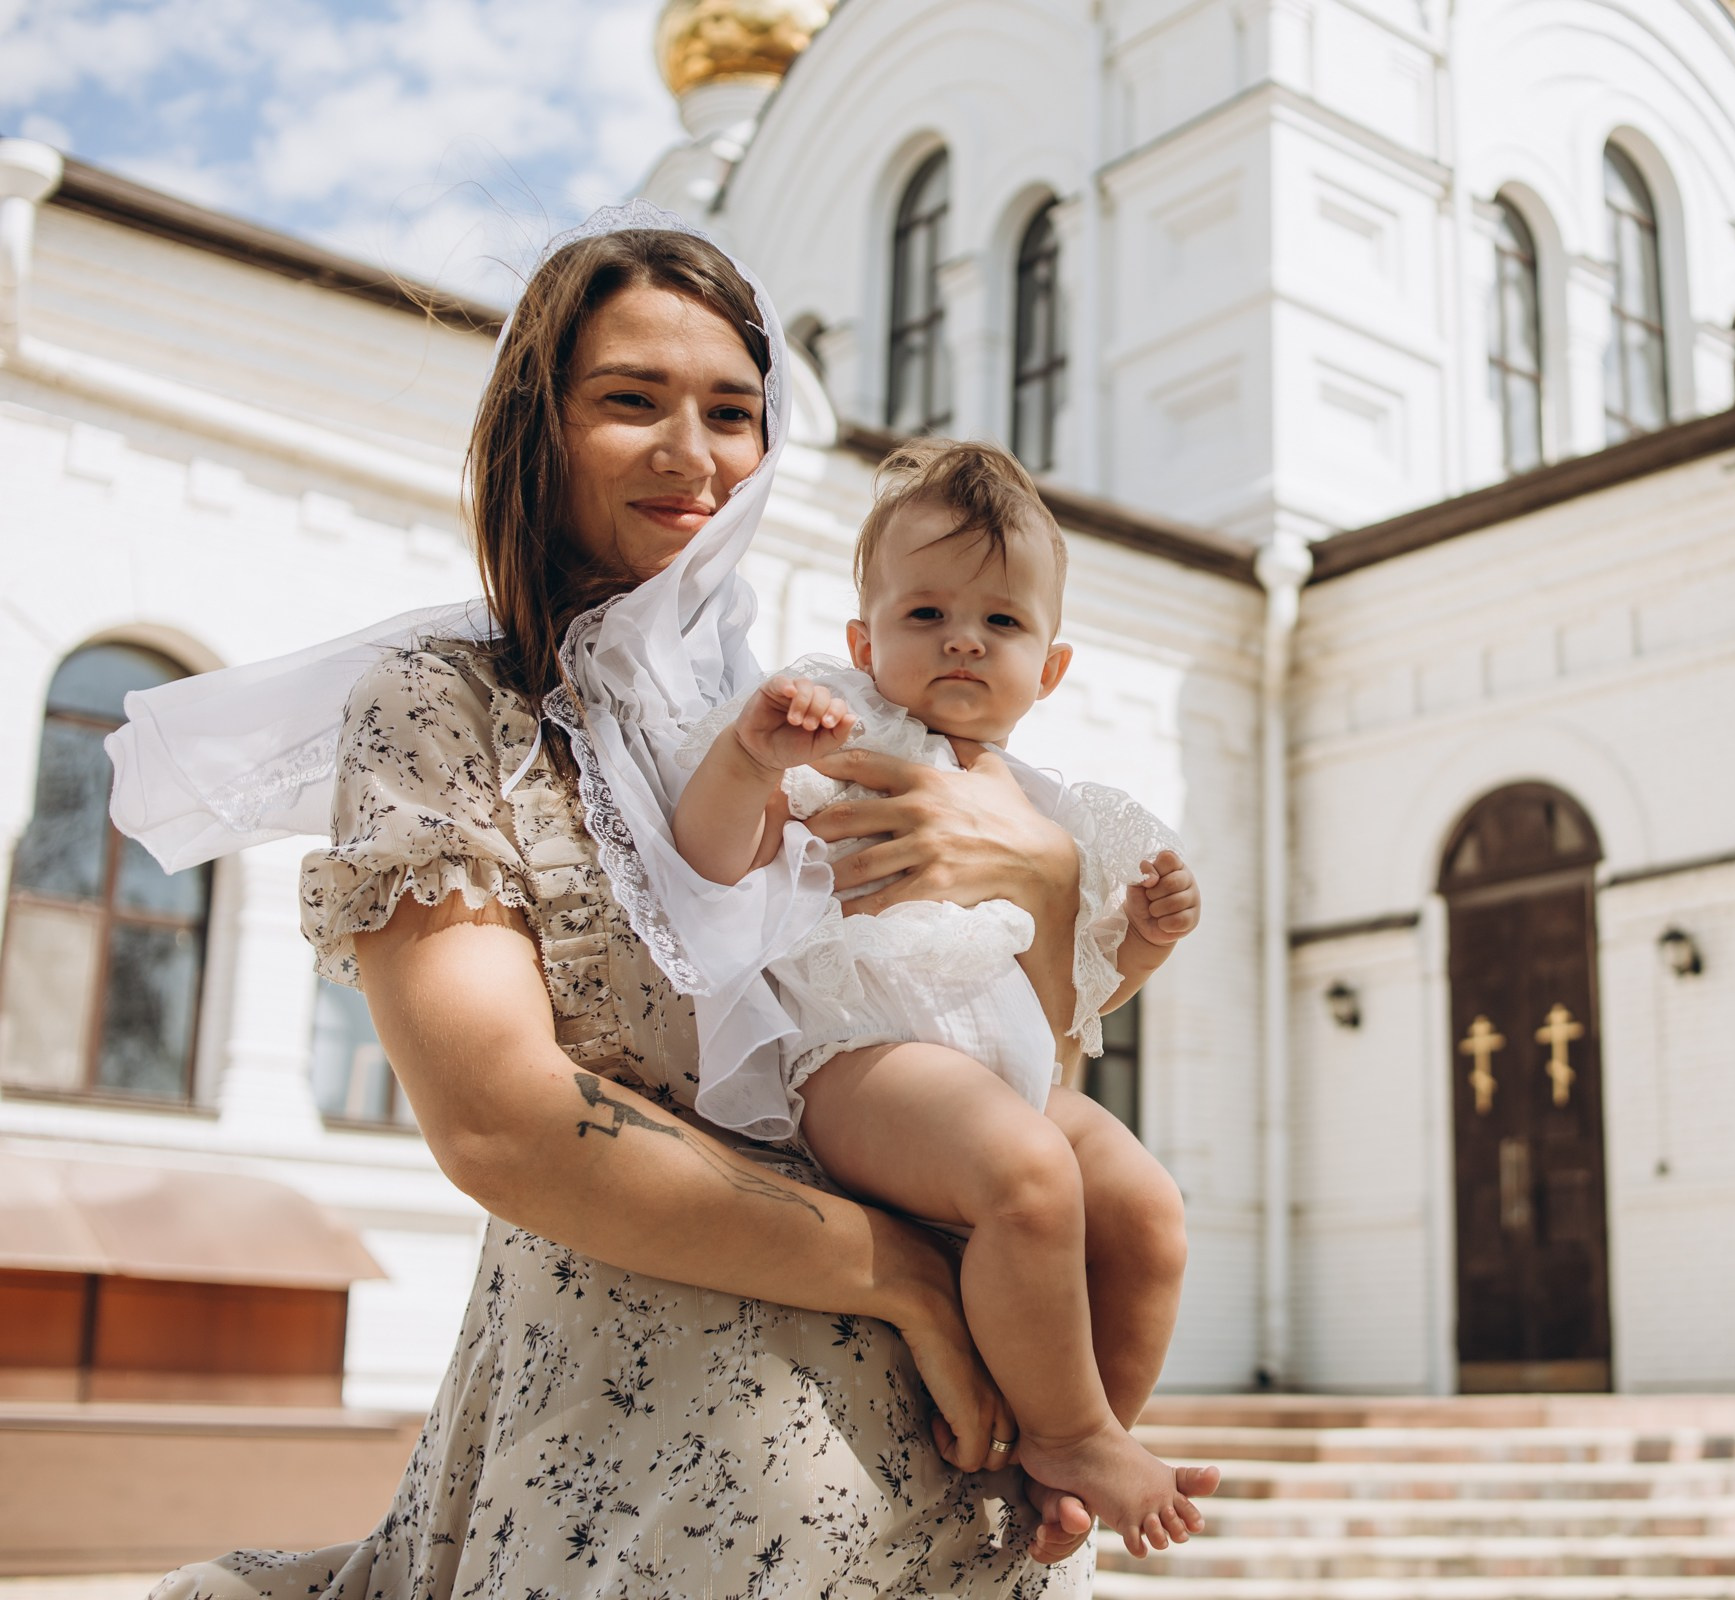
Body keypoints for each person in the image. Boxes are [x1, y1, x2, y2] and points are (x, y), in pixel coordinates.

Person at [111, 209, 1101, 1597]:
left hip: (950, 1496)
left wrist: (1048, 891)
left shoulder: (830, 702)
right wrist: (902, 1277)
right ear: (540, 429)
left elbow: (1007, 1077)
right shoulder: (449, 705)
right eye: (631, 401)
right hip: (644, 1488)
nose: (693, 453)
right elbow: (504, 1120)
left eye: (733, 411)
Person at [672, 441, 1217, 1556]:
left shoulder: (1054, 807)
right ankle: (1070, 1433)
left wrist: (1147, 941)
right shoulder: (840, 730)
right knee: (1026, 1172)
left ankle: (1081, 1440)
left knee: (1149, 1212)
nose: (965, 638)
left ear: (1050, 669)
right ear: (868, 640)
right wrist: (747, 759)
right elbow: (714, 865)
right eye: (927, 613)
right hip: (867, 1053)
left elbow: (1078, 1001)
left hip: (1011, 1065)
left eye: (1002, 623)